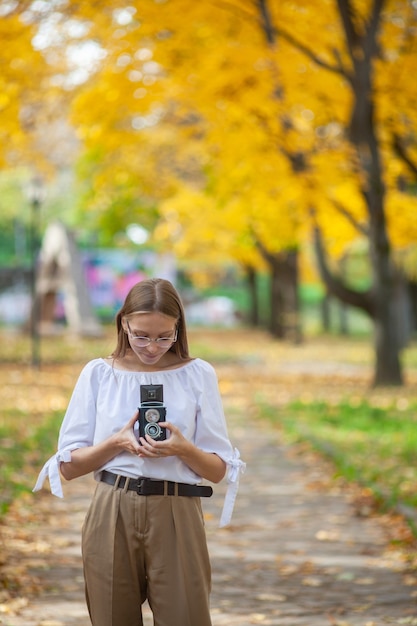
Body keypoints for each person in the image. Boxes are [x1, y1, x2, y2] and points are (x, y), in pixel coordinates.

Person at [34, 277, 245, 626]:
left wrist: (183, 449)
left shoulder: (198, 374)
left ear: (179, 328)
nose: (152, 346)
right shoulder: (99, 374)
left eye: (165, 336)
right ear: (123, 324)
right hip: (111, 508)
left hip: (178, 509)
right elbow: (68, 467)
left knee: (186, 618)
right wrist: (115, 443)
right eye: (141, 335)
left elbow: (219, 470)